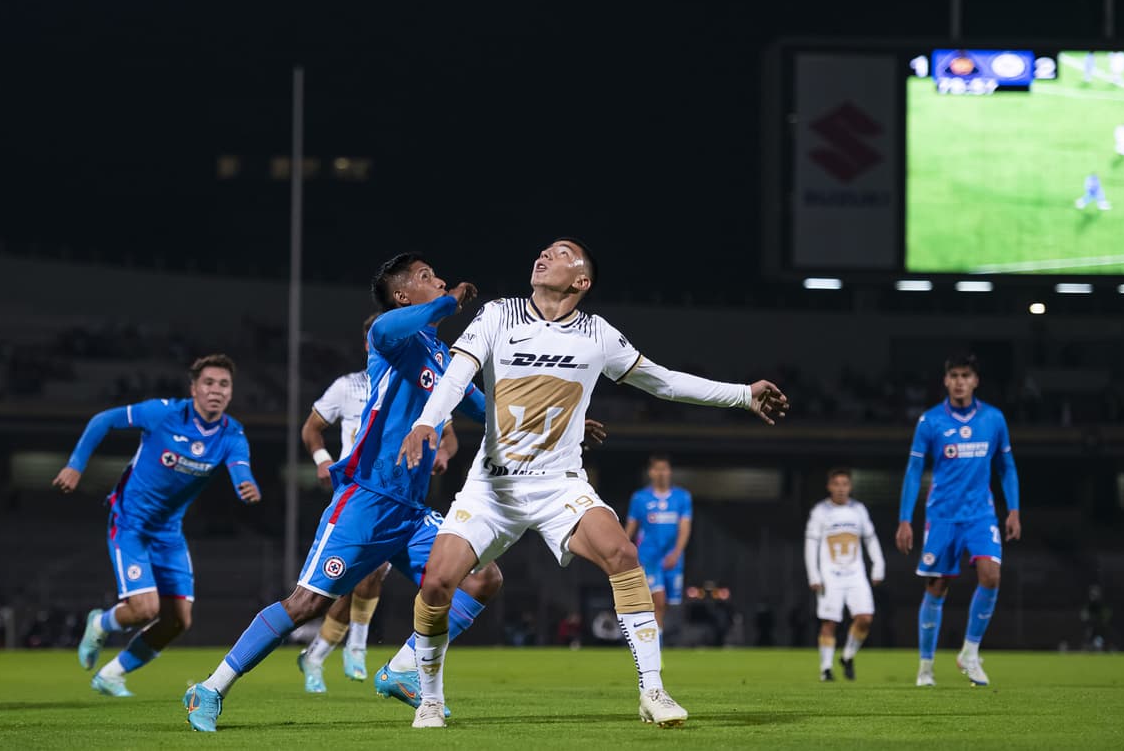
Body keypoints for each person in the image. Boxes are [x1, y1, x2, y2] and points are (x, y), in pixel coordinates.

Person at [398, 238, 789, 729]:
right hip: (491, 488)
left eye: (561, 253)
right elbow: (458, 374)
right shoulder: (499, 314)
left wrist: (741, 396)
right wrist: (428, 422)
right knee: (437, 581)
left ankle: (654, 691)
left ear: (581, 280)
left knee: (623, 554)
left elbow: (662, 380)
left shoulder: (597, 334)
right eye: (543, 250)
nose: (544, 255)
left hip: (558, 485)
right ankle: (430, 698)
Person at [182, 253, 504, 732]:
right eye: (424, 277)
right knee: (306, 604)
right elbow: (426, 315)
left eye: (436, 275)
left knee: (483, 577)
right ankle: (209, 688)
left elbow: (485, 407)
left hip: (412, 512)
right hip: (366, 500)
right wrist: (450, 299)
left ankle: (398, 669)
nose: (437, 279)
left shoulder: (442, 359)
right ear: (401, 296)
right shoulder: (387, 338)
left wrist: (559, 422)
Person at [53, 354, 260, 697]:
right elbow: (103, 420)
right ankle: (101, 623)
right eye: (208, 383)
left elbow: (241, 467)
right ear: (193, 389)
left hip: (169, 533)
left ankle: (111, 674)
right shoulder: (163, 413)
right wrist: (76, 465)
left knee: (178, 621)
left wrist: (246, 484)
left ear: (231, 392)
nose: (216, 390)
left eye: (224, 384)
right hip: (130, 523)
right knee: (145, 609)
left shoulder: (232, 434)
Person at [295, 314, 461, 693]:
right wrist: (323, 463)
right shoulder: (347, 386)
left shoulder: (424, 384)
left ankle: (326, 653)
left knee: (367, 574)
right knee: (347, 580)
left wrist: (444, 454)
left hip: (400, 492)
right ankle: (339, 649)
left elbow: (448, 435)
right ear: (371, 342)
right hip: (358, 489)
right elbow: (311, 429)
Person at [896, 353, 1021, 687]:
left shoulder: (993, 419)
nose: (960, 381)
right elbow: (913, 471)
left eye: (966, 375)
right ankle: (925, 667)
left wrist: (1014, 510)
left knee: (991, 575)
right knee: (936, 587)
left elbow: (1006, 467)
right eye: (954, 375)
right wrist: (905, 519)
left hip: (981, 515)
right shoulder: (931, 422)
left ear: (975, 381)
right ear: (946, 381)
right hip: (942, 517)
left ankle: (970, 651)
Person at [804, 468, 884, 681]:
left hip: (855, 574)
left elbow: (870, 538)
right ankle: (826, 669)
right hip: (830, 575)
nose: (840, 488)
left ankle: (847, 656)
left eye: (844, 484)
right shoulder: (820, 511)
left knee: (865, 619)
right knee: (830, 622)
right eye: (836, 484)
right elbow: (811, 544)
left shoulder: (858, 510)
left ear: (850, 486)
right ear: (829, 486)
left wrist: (878, 565)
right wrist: (814, 574)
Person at [624, 454, 692, 633]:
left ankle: (654, 635)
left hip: (672, 557)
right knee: (658, 601)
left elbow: (684, 528)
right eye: (657, 469)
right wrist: (622, 549)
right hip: (649, 557)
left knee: (668, 603)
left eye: (665, 469)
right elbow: (631, 527)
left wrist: (677, 553)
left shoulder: (682, 497)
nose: (661, 473)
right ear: (651, 472)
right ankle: (655, 646)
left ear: (669, 471)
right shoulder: (640, 498)